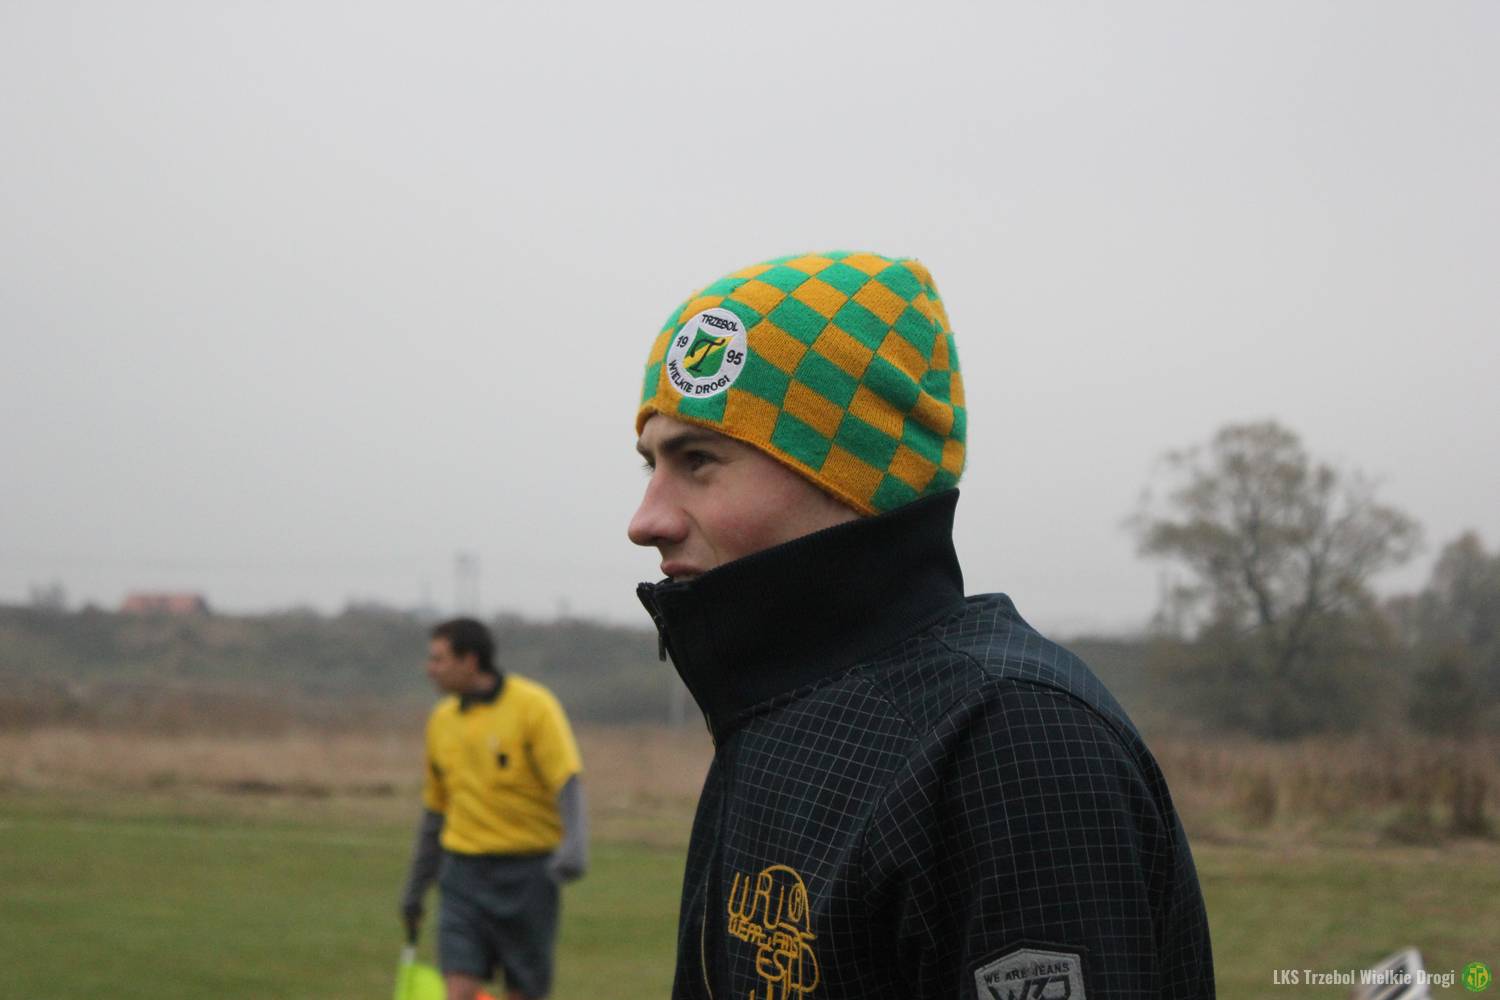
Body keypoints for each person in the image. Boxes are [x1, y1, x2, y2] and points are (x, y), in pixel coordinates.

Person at [628, 251, 1215, 999]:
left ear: (849, 471)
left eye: (697, 460)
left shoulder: (1008, 741)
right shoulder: (772, 710)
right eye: (648, 465)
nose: (646, 519)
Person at [399, 617, 587, 1000]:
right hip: (462, 875)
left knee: (523, 992)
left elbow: (566, 779)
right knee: (459, 989)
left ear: (470, 661)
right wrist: (415, 889)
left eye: (438, 659)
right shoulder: (441, 721)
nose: (429, 668)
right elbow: (435, 813)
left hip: (529, 876)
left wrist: (574, 848)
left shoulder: (534, 706)